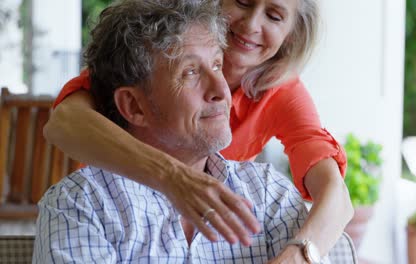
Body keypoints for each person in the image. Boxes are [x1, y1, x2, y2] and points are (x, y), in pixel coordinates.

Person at [44, 0, 353, 261]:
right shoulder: (149, 58)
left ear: (290, 37)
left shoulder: (270, 194)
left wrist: (299, 255)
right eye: (243, 1)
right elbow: (63, 124)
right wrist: (174, 178)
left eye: (274, 15)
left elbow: (335, 195)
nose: (251, 24)